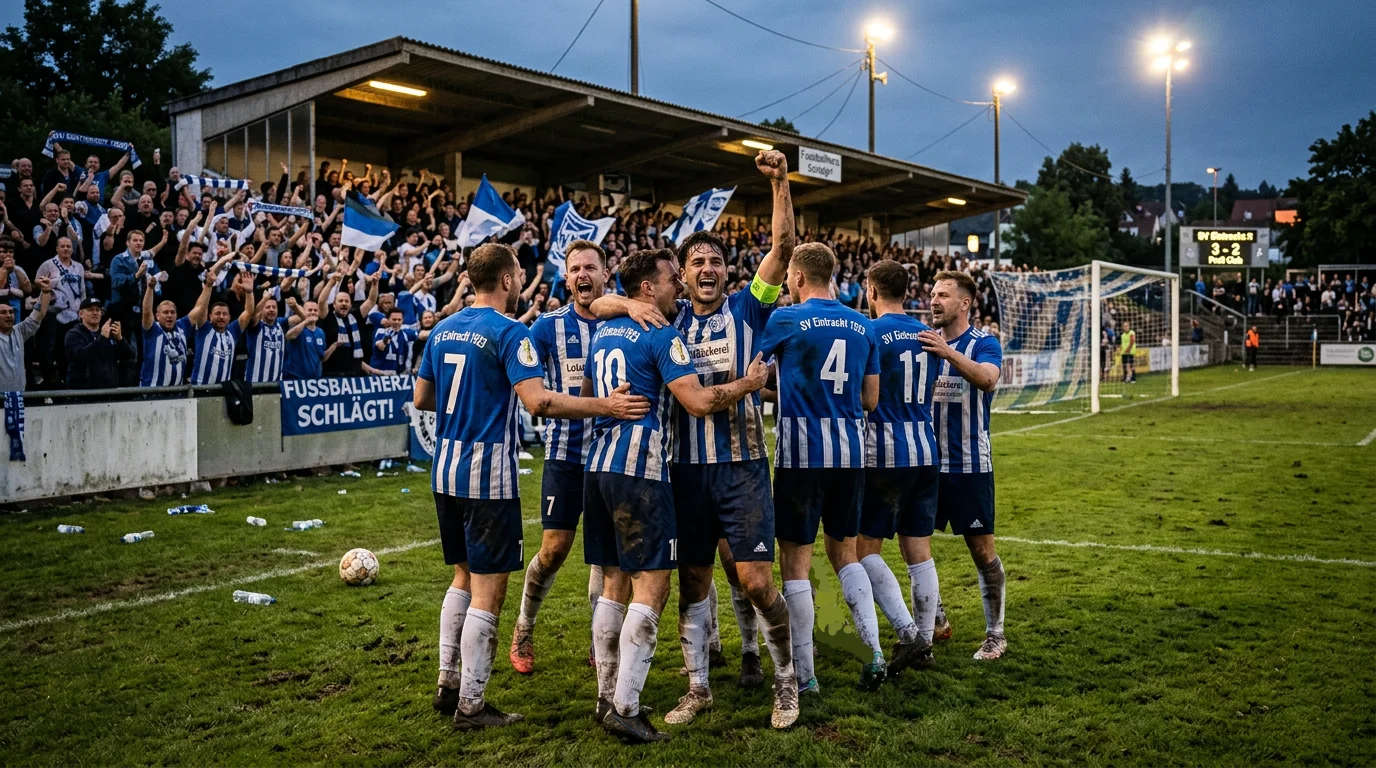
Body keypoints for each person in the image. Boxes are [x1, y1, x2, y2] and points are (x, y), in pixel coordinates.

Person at [588, 150, 798, 725]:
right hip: (684, 471)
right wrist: (630, 299)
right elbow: (594, 302)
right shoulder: (664, 317)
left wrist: (780, 182)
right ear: (681, 275)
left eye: (715, 260)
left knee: (755, 581)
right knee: (694, 582)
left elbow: (781, 247)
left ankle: (787, 681)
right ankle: (698, 688)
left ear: (727, 272)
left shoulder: (749, 308)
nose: (707, 267)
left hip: (743, 465)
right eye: (696, 261)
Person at [412, 242, 649, 732]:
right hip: (489, 474)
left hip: (446, 469)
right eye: (519, 273)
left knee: (462, 577)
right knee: (488, 589)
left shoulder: (441, 329)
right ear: (505, 280)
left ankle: (448, 683)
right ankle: (472, 707)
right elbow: (538, 403)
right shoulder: (515, 332)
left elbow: (423, 397)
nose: (523, 280)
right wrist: (605, 406)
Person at [580, 247, 768, 741]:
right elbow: (700, 400)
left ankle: (604, 697)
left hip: (597, 465)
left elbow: (597, 313)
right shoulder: (662, 331)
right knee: (654, 587)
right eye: (670, 280)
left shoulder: (604, 330)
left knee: (614, 583)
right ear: (648, 289)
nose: (678, 288)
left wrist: (618, 305)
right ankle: (626, 706)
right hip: (641, 468)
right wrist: (749, 383)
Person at [755, 242, 885, 694]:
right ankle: (875, 653)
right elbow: (870, 400)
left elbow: (755, 374)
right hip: (850, 456)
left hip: (800, 457)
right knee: (847, 555)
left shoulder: (785, 319)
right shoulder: (862, 324)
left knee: (795, 564)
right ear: (833, 275)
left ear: (795, 278)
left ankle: (806, 675)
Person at [508, 240, 608, 675]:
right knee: (554, 549)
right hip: (565, 457)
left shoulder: (620, 322)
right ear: (566, 279)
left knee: (606, 555)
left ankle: (599, 638)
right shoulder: (547, 327)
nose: (582, 275)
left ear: (605, 275)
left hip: (610, 457)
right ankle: (524, 624)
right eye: (575, 269)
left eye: (590, 267)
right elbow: (520, 370)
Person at [855, 260, 942, 676]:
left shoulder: (869, 332)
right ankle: (924, 643)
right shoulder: (929, 335)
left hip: (885, 455)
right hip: (926, 450)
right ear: (906, 291)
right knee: (918, 553)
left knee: (863, 550)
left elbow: (860, 392)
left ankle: (911, 635)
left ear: (871, 291)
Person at [920, 270, 1007, 661]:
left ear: (965, 303)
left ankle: (995, 634)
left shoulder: (983, 343)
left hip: (970, 465)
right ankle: (935, 621)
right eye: (932, 294)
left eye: (943, 295)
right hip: (925, 466)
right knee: (914, 545)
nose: (934, 300)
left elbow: (988, 380)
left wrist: (948, 353)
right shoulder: (922, 344)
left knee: (981, 550)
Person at [180, 263, 254, 385]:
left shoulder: (233, 331)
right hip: (200, 389)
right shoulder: (204, 328)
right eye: (217, 313)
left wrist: (249, 291)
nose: (221, 317)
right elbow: (201, 307)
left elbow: (248, 312)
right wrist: (208, 285)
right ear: (210, 316)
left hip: (223, 391)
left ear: (229, 317)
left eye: (224, 314)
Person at [65, 297, 134, 388]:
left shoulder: (108, 334)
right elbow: (82, 356)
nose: (95, 313)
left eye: (98, 310)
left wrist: (120, 339)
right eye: (90, 310)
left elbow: (129, 357)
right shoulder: (73, 334)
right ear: (80, 314)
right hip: (83, 393)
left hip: (109, 391)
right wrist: (102, 338)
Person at [0, 276, 51, 391]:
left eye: (11, 312)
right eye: (3, 312)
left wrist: (46, 291)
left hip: (19, 396)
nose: (8, 315)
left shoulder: (19, 332)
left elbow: (38, 314)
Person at [139, 274, 189, 386]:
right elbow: (147, 312)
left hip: (177, 393)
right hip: (152, 392)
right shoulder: (152, 328)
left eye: (172, 312)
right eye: (165, 312)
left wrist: (208, 286)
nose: (170, 315)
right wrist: (150, 288)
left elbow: (199, 309)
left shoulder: (182, 326)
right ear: (157, 316)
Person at [283, 299, 342, 380]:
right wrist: (305, 322)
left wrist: (333, 347)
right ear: (304, 311)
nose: (313, 312)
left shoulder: (320, 332)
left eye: (315, 310)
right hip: (294, 377)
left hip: (314, 379)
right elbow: (289, 336)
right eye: (310, 310)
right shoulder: (298, 326)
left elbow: (322, 358)